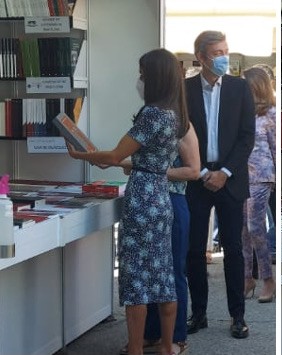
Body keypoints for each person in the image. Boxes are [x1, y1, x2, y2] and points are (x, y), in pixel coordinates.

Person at [67, 48, 187, 355]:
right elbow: (138, 158)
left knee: (137, 278)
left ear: (154, 77)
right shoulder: (175, 114)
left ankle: (135, 349)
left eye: (143, 74)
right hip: (161, 194)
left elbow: (114, 156)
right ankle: (166, 347)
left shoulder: (151, 115)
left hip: (142, 198)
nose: (140, 79)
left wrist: (81, 153)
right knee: (162, 274)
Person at [184, 30, 255, 339]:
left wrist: (224, 171)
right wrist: (200, 172)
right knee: (194, 249)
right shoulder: (184, 90)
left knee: (234, 250)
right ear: (201, 57)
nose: (223, 57)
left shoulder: (240, 89)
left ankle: (237, 315)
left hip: (230, 179)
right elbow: (178, 135)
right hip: (197, 178)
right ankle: (198, 313)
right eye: (217, 52)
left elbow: (246, 137)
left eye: (226, 50)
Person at [133, 122, 201, 355]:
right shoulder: (147, 118)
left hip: (172, 199)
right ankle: (151, 334)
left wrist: (147, 170)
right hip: (145, 200)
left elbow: (192, 170)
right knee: (148, 271)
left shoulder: (181, 125)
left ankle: (175, 338)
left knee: (172, 271)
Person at [241, 67, 276, 303]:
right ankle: (246, 278)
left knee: (255, 229)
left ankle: (267, 278)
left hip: (261, 177)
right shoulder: (242, 112)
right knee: (241, 231)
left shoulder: (270, 113)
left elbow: (274, 146)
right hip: (239, 177)